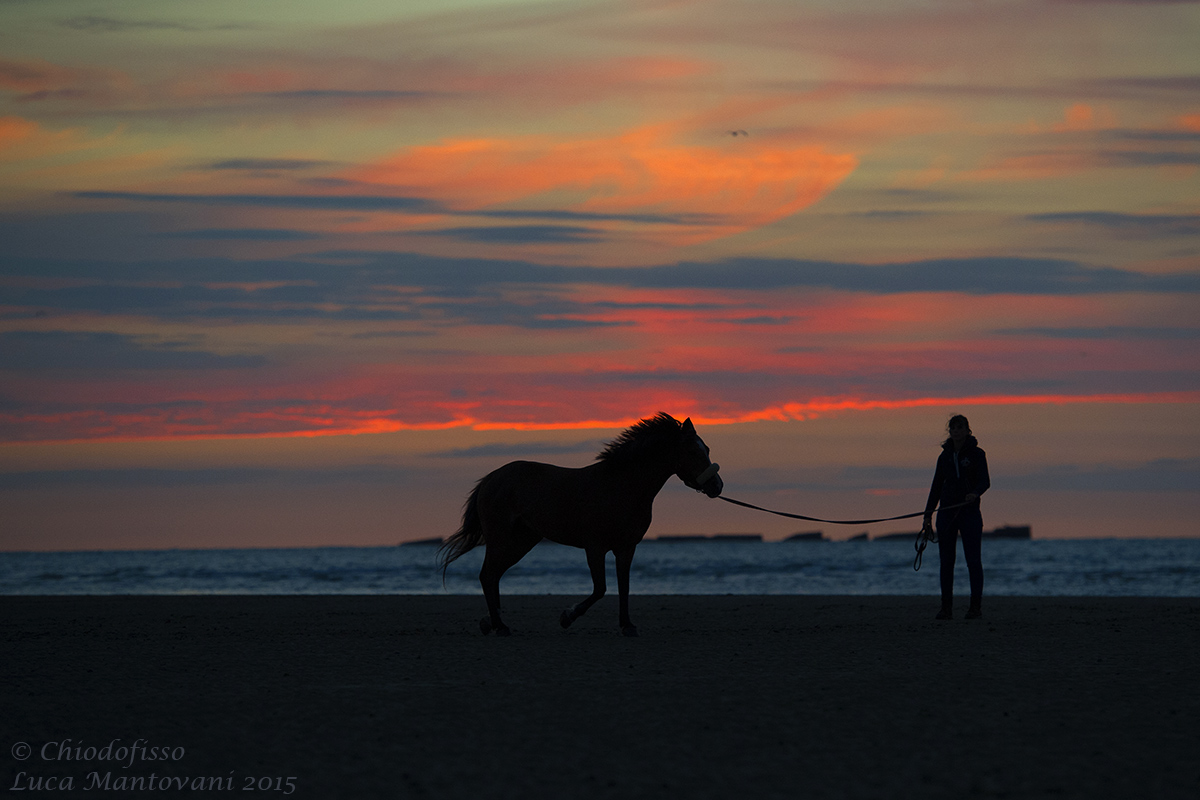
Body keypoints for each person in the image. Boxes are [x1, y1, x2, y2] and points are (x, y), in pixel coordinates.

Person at [923, 414, 990, 620]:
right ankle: (946, 608)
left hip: (969, 513)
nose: (956, 431)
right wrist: (927, 516)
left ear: (967, 430)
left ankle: (975, 608)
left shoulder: (978, 454)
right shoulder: (944, 457)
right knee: (946, 562)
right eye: (953, 428)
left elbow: (985, 481)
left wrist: (975, 493)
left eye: (960, 427)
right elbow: (935, 488)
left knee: (973, 561)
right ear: (949, 432)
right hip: (946, 513)